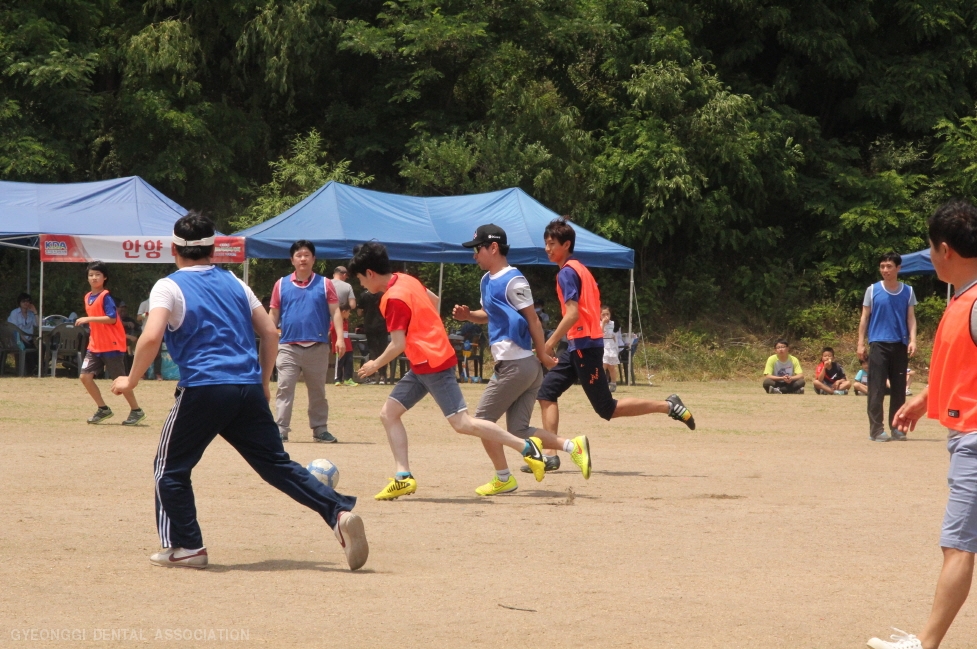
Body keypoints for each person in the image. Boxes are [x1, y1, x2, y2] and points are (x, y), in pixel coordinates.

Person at [110, 212, 368, 571]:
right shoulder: (234, 281)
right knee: (276, 465)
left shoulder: (168, 286)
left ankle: (187, 546)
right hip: (245, 387)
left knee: (169, 468)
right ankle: (337, 513)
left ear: (174, 248)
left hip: (204, 388)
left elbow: (152, 336)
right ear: (214, 249)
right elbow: (271, 332)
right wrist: (262, 383)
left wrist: (131, 380)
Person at [350, 241, 549, 500]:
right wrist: (428, 331)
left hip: (432, 363)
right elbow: (434, 300)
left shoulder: (392, 299)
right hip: (423, 362)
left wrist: (374, 364)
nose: (362, 285)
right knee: (389, 414)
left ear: (370, 273)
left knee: (462, 423)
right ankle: (403, 477)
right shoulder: (406, 280)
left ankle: (526, 447)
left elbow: (397, 344)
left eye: (360, 279)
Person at [866, 199, 977, 649]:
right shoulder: (962, 295)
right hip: (963, 434)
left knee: (958, 545)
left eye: (931, 249)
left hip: (974, 438)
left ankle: (924, 645)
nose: (929, 258)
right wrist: (923, 400)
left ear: (945, 249)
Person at [533, 218, 695, 470]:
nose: (547, 248)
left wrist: (549, 342)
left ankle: (668, 405)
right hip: (579, 344)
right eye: (545, 244)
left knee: (607, 408)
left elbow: (573, 313)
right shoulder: (580, 269)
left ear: (566, 244)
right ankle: (551, 455)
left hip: (585, 345)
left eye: (552, 244)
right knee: (546, 393)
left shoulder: (567, 272)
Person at [452, 224, 591, 496]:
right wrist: (469, 316)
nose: (474, 255)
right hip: (520, 366)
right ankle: (572, 446)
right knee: (518, 428)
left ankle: (504, 477)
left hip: (517, 364)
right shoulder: (486, 280)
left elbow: (533, 320)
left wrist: (542, 353)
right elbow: (490, 314)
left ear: (493, 248)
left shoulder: (515, 280)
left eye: (477, 249)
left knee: (482, 420)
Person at [269, 240, 344, 443]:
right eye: (299, 255)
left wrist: (340, 338)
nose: (303, 258)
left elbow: (335, 311)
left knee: (318, 391)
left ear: (314, 259)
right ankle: (280, 429)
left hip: (317, 346)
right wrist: (269, 337)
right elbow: (274, 313)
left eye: (307, 255)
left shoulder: (325, 283)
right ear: (292, 260)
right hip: (288, 346)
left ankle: (320, 429)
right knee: (284, 388)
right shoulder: (281, 284)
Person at [74, 261, 146, 426]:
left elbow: (112, 318)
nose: (94, 278)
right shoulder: (87, 297)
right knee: (85, 377)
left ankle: (136, 410)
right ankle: (103, 409)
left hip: (112, 345)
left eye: (98, 275)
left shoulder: (105, 296)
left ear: (105, 277)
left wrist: (88, 319)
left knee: (120, 380)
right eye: (91, 275)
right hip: (95, 345)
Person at [858, 252, 918, 441]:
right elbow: (864, 317)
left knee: (899, 389)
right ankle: (876, 430)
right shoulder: (873, 290)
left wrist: (913, 340)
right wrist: (860, 343)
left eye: (889, 266)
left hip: (899, 344)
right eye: (882, 266)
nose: (885, 270)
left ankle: (897, 428)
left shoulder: (908, 291)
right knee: (876, 388)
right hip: (878, 344)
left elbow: (911, 318)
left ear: (898, 268)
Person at [357, 288, 389, 384]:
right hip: (383, 325)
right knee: (383, 350)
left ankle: (372, 376)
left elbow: (359, 312)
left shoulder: (364, 295)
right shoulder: (384, 293)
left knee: (372, 350)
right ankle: (383, 375)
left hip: (369, 325)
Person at [137, 297, 164, 380]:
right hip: (146, 331)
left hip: (158, 331)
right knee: (144, 354)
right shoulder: (144, 303)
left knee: (157, 354)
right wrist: (147, 313)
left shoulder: (161, 303)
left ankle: (157, 374)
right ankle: (142, 374)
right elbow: (138, 317)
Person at [332, 305, 356, 386]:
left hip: (348, 347)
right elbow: (329, 332)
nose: (349, 314)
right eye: (349, 312)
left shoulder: (346, 322)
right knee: (339, 363)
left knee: (349, 363)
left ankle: (348, 379)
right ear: (344, 312)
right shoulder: (334, 322)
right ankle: (337, 379)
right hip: (339, 348)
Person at [601, 305, 622, 392]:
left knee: (611, 366)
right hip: (603, 345)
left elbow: (610, 333)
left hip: (610, 345)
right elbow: (600, 333)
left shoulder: (612, 324)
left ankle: (613, 383)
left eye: (608, 314)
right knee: (603, 365)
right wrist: (603, 323)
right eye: (603, 314)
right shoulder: (598, 323)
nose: (606, 316)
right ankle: (601, 383)